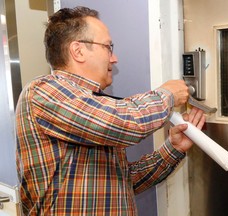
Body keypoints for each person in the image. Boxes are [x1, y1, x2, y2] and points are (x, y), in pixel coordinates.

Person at [15, 6, 205, 215]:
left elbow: (124, 181)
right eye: (108, 47)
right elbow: (126, 121)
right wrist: (167, 94)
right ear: (78, 51)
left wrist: (174, 148)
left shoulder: (93, 105)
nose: (114, 59)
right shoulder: (44, 92)